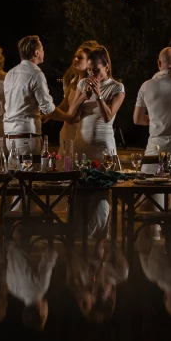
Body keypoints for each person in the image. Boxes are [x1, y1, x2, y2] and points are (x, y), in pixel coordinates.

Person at [63, 45, 125, 236]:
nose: (91, 74)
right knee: (78, 194)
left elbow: (107, 117)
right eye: (89, 70)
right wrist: (83, 96)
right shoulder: (83, 84)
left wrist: (98, 95)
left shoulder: (117, 87)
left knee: (100, 195)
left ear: (106, 67)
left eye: (96, 70)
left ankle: (98, 241)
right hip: (81, 147)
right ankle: (77, 238)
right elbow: (71, 116)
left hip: (103, 149)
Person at [3, 35, 62, 157]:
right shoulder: (36, 74)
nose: (43, 51)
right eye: (42, 49)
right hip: (27, 136)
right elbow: (47, 108)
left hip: (10, 136)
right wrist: (67, 117)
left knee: (14, 169)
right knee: (31, 169)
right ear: (36, 52)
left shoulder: (10, 73)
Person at [6, 239, 60, 330]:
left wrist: (56, 251)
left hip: (24, 242)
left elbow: (49, 258)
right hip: (10, 242)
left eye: (46, 315)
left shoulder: (40, 289)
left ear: (41, 312)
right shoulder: (13, 291)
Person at [58, 41, 100, 155]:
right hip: (67, 130)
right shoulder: (73, 81)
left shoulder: (90, 84)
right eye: (75, 56)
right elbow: (64, 105)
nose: (75, 59)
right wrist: (48, 113)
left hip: (79, 132)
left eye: (80, 57)